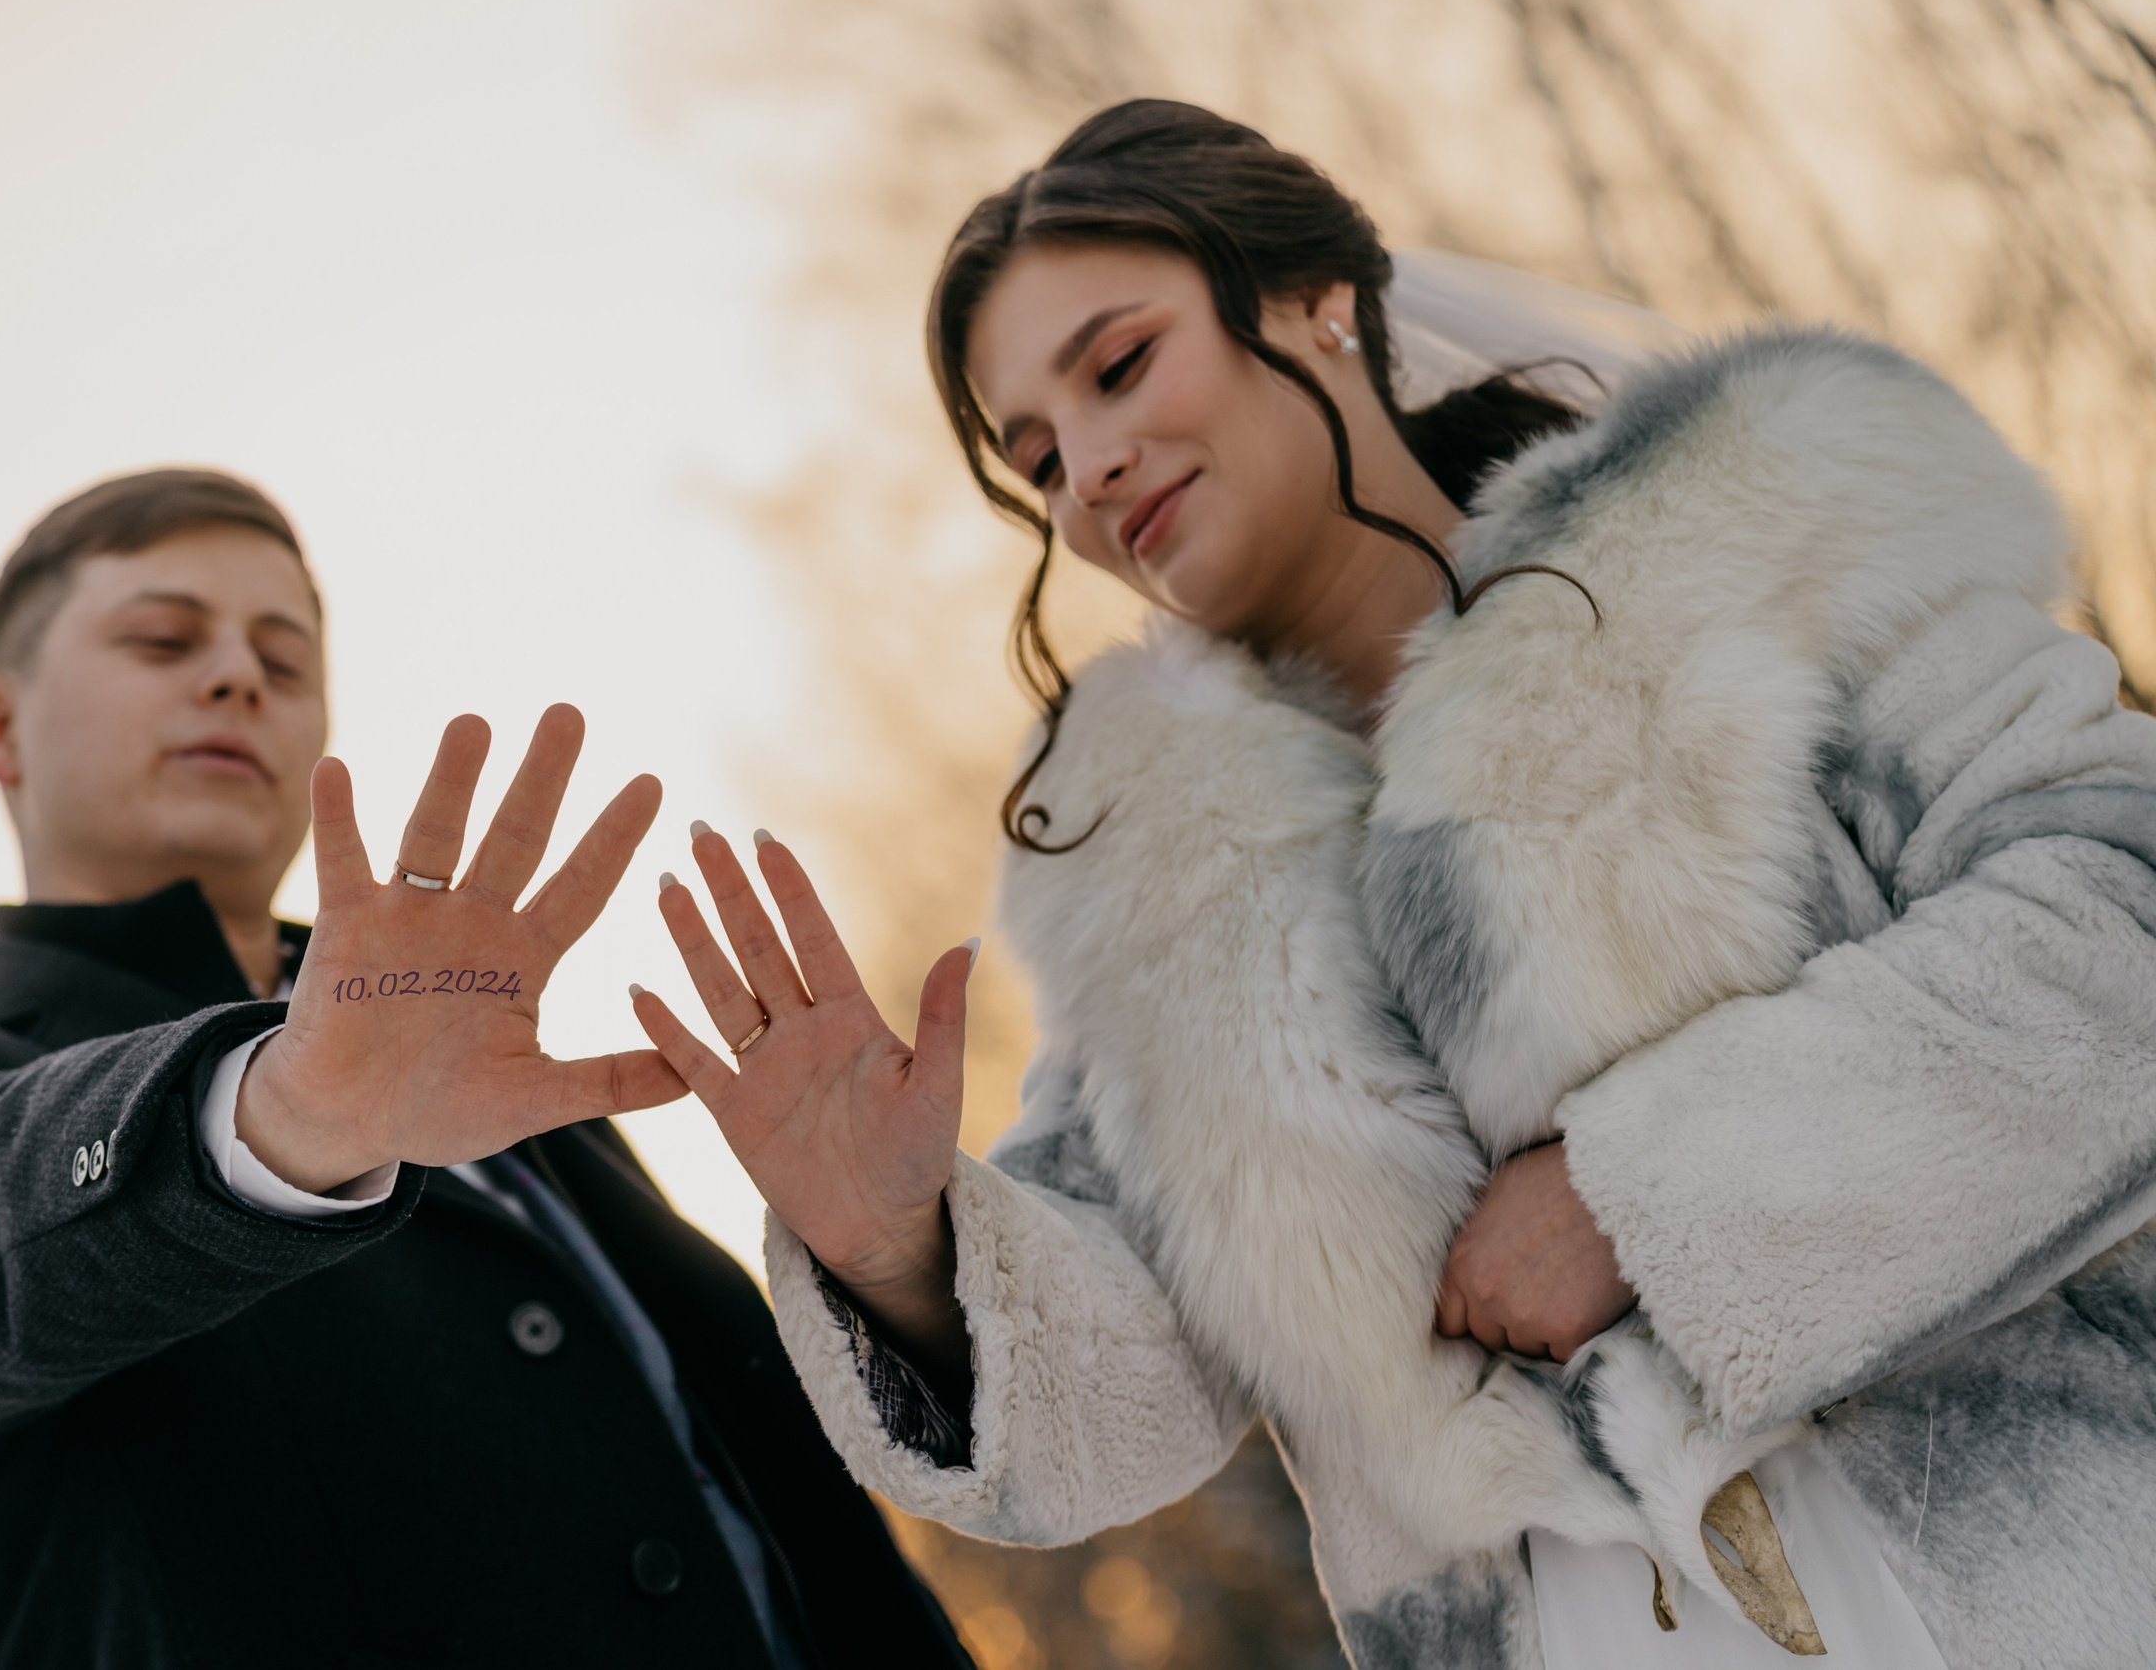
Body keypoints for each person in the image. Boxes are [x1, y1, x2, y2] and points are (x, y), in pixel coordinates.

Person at [622, 102, 2156, 1669]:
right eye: (1035, 458)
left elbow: (2123, 910)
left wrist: (1653, 1196)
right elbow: (1126, 1394)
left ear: (1312, 300)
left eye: (1119, 364)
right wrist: (906, 1254)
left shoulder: (1763, 544)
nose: (1087, 469)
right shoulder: (1156, 907)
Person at [0, 468, 973, 1670]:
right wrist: (277, 1115)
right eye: (165, 641)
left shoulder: (511, 1088)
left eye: (283, 661)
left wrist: (895, 1271)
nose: (235, 676)